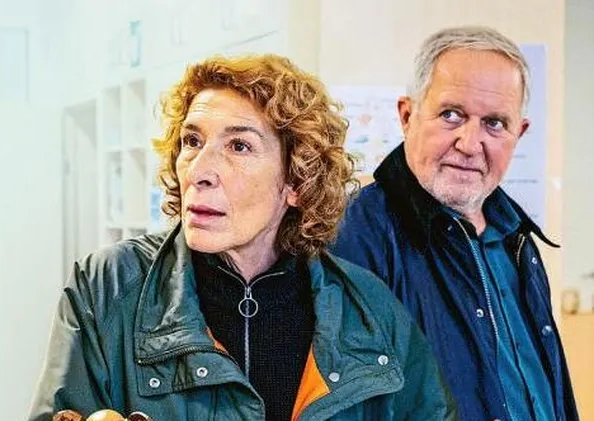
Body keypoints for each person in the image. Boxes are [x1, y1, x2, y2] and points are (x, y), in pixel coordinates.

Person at [27, 54, 456, 421]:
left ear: (296, 181)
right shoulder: (106, 288)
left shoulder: (369, 307)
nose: (199, 170)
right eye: (192, 141)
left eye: (239, 147)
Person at [330, 26, 579, 421]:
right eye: (451, 115)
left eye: (495, 123)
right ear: (407, 116)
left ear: (519, 133)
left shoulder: (516, 237)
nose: (469, 143)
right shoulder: (357, 234)